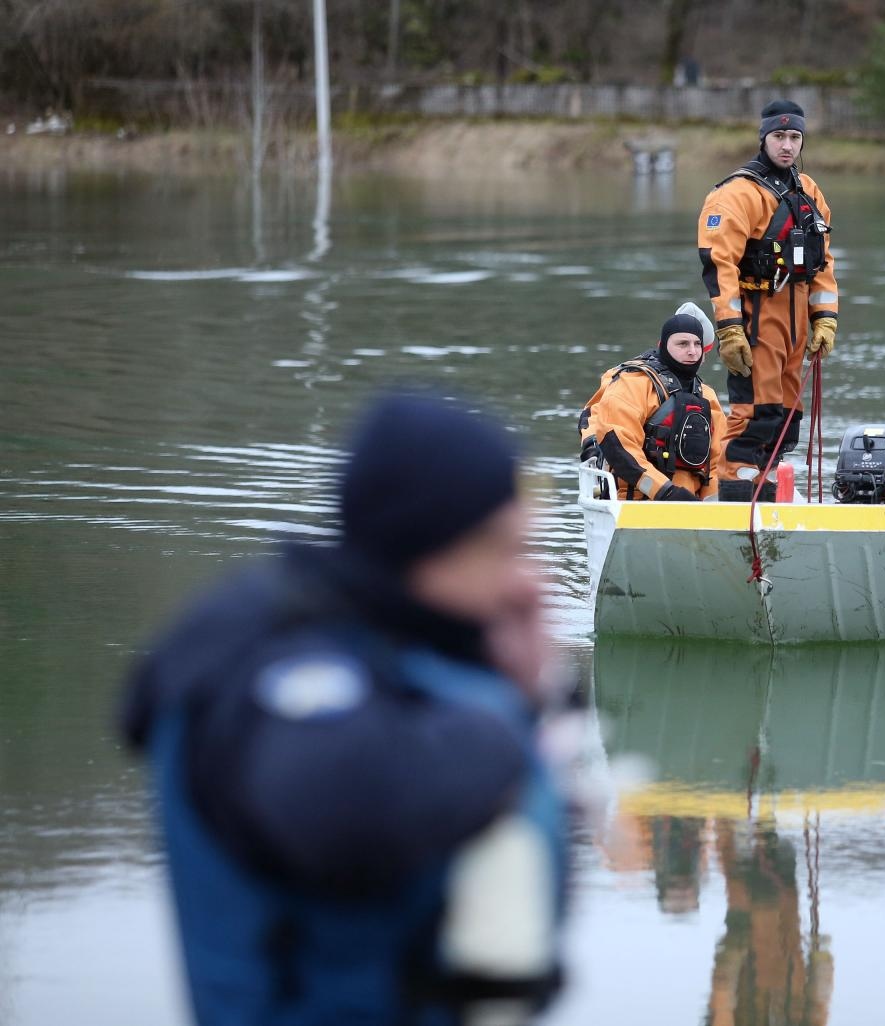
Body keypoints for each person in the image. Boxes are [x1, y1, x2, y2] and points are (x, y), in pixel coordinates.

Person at [120, 393, 570, 1026]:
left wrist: (523, 700)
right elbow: (345, 803)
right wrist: (507, 718)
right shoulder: (276, 658)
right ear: (434, 540)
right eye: (507, 548)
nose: (529, 582)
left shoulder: (397, 647)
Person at [697, 99, 839, 501]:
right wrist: (729, 328)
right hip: (757, 315)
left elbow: (823, 261)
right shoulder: (737, 193)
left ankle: (767, 489)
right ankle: (737, 494)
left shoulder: (808, 191)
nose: (787, 145)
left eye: (795, 137)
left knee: (786, 419)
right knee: (754, 414)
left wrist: (825, 318)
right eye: (779, 136)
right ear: (764, 138)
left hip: (795, 318)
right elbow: (717, 262)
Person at [580, 303, 726, 501]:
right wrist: (666, 492)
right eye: (682, 344)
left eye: (697, 345)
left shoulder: (707, 396)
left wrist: (712, 507)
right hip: (636, 503)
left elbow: (718, 463)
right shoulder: (633, 383)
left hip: (691, 507)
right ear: (663, 345)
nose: (692, 351)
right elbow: (619, 445)